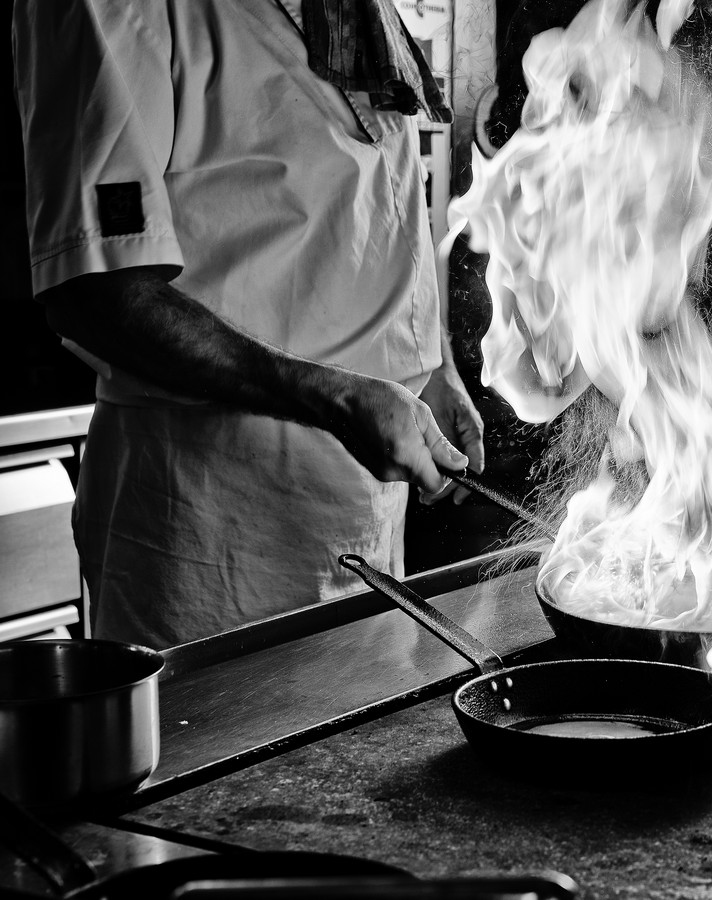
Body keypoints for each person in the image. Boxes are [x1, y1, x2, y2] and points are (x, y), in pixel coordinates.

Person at [12, 0, 485, 649]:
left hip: (366, 517)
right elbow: (97, 290)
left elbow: (379, 202)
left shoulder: (355, 11)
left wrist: (435, 366)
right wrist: (336, 399)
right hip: (210, 535)